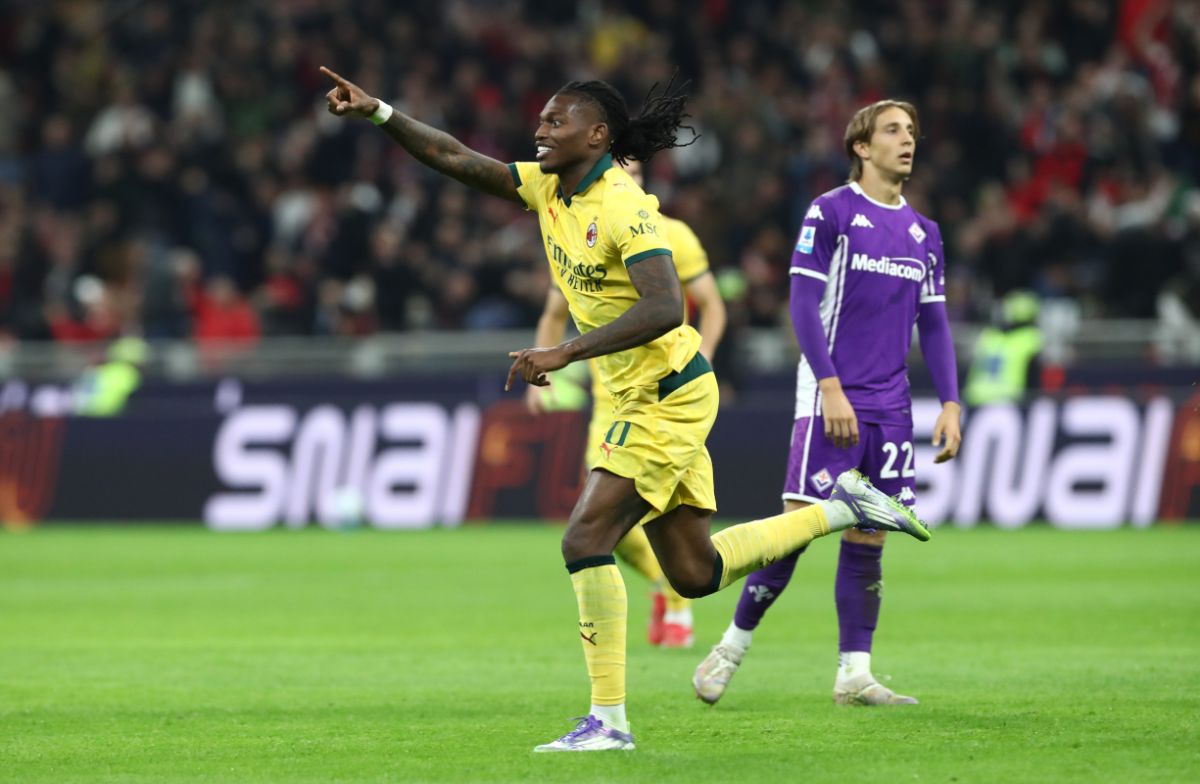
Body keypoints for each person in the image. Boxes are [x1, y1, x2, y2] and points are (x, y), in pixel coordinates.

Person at [321, 68, 932, 751]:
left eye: (557, 121)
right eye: (542, 120)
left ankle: (607, 721)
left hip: (665, 393)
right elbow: (456, 158)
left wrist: (565, 352)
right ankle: (848, 507)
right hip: (653, 392)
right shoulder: (549, 187)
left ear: (598, 135)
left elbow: (666, 304)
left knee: (584, 540)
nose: (541, 130)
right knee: (694, 573)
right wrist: (380, 112)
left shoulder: (624, 206)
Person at [693, 100, 963, 707]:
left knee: (870, 538)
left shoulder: (925, 233)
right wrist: (829, 386)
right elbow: (802, 305)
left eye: (913, 131)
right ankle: (730, 648)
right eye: (893, 130)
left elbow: (937, 324)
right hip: (831, 394)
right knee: (796, 528)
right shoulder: (832, 212)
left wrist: (950, 402)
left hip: (892, 406)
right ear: (862, 147)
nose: (907, 140)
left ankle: (854, 673)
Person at [526, 158, 726, 650]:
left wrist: (703, 355)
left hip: (662, 390)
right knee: (609, 523)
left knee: (602, 525)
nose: (625, 176)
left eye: (632, 170)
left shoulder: (672, 234)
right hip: (607, 394)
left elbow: (710, 303)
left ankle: (674, 609)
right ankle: (668, 588)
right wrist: (543, 369)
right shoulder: (573, 225)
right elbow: (555, 310)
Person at [964, 290, 1042, 406]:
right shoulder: (1031, 338)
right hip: (1008, 400)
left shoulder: (988, 335)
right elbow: (1034, 379)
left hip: (976, 397)